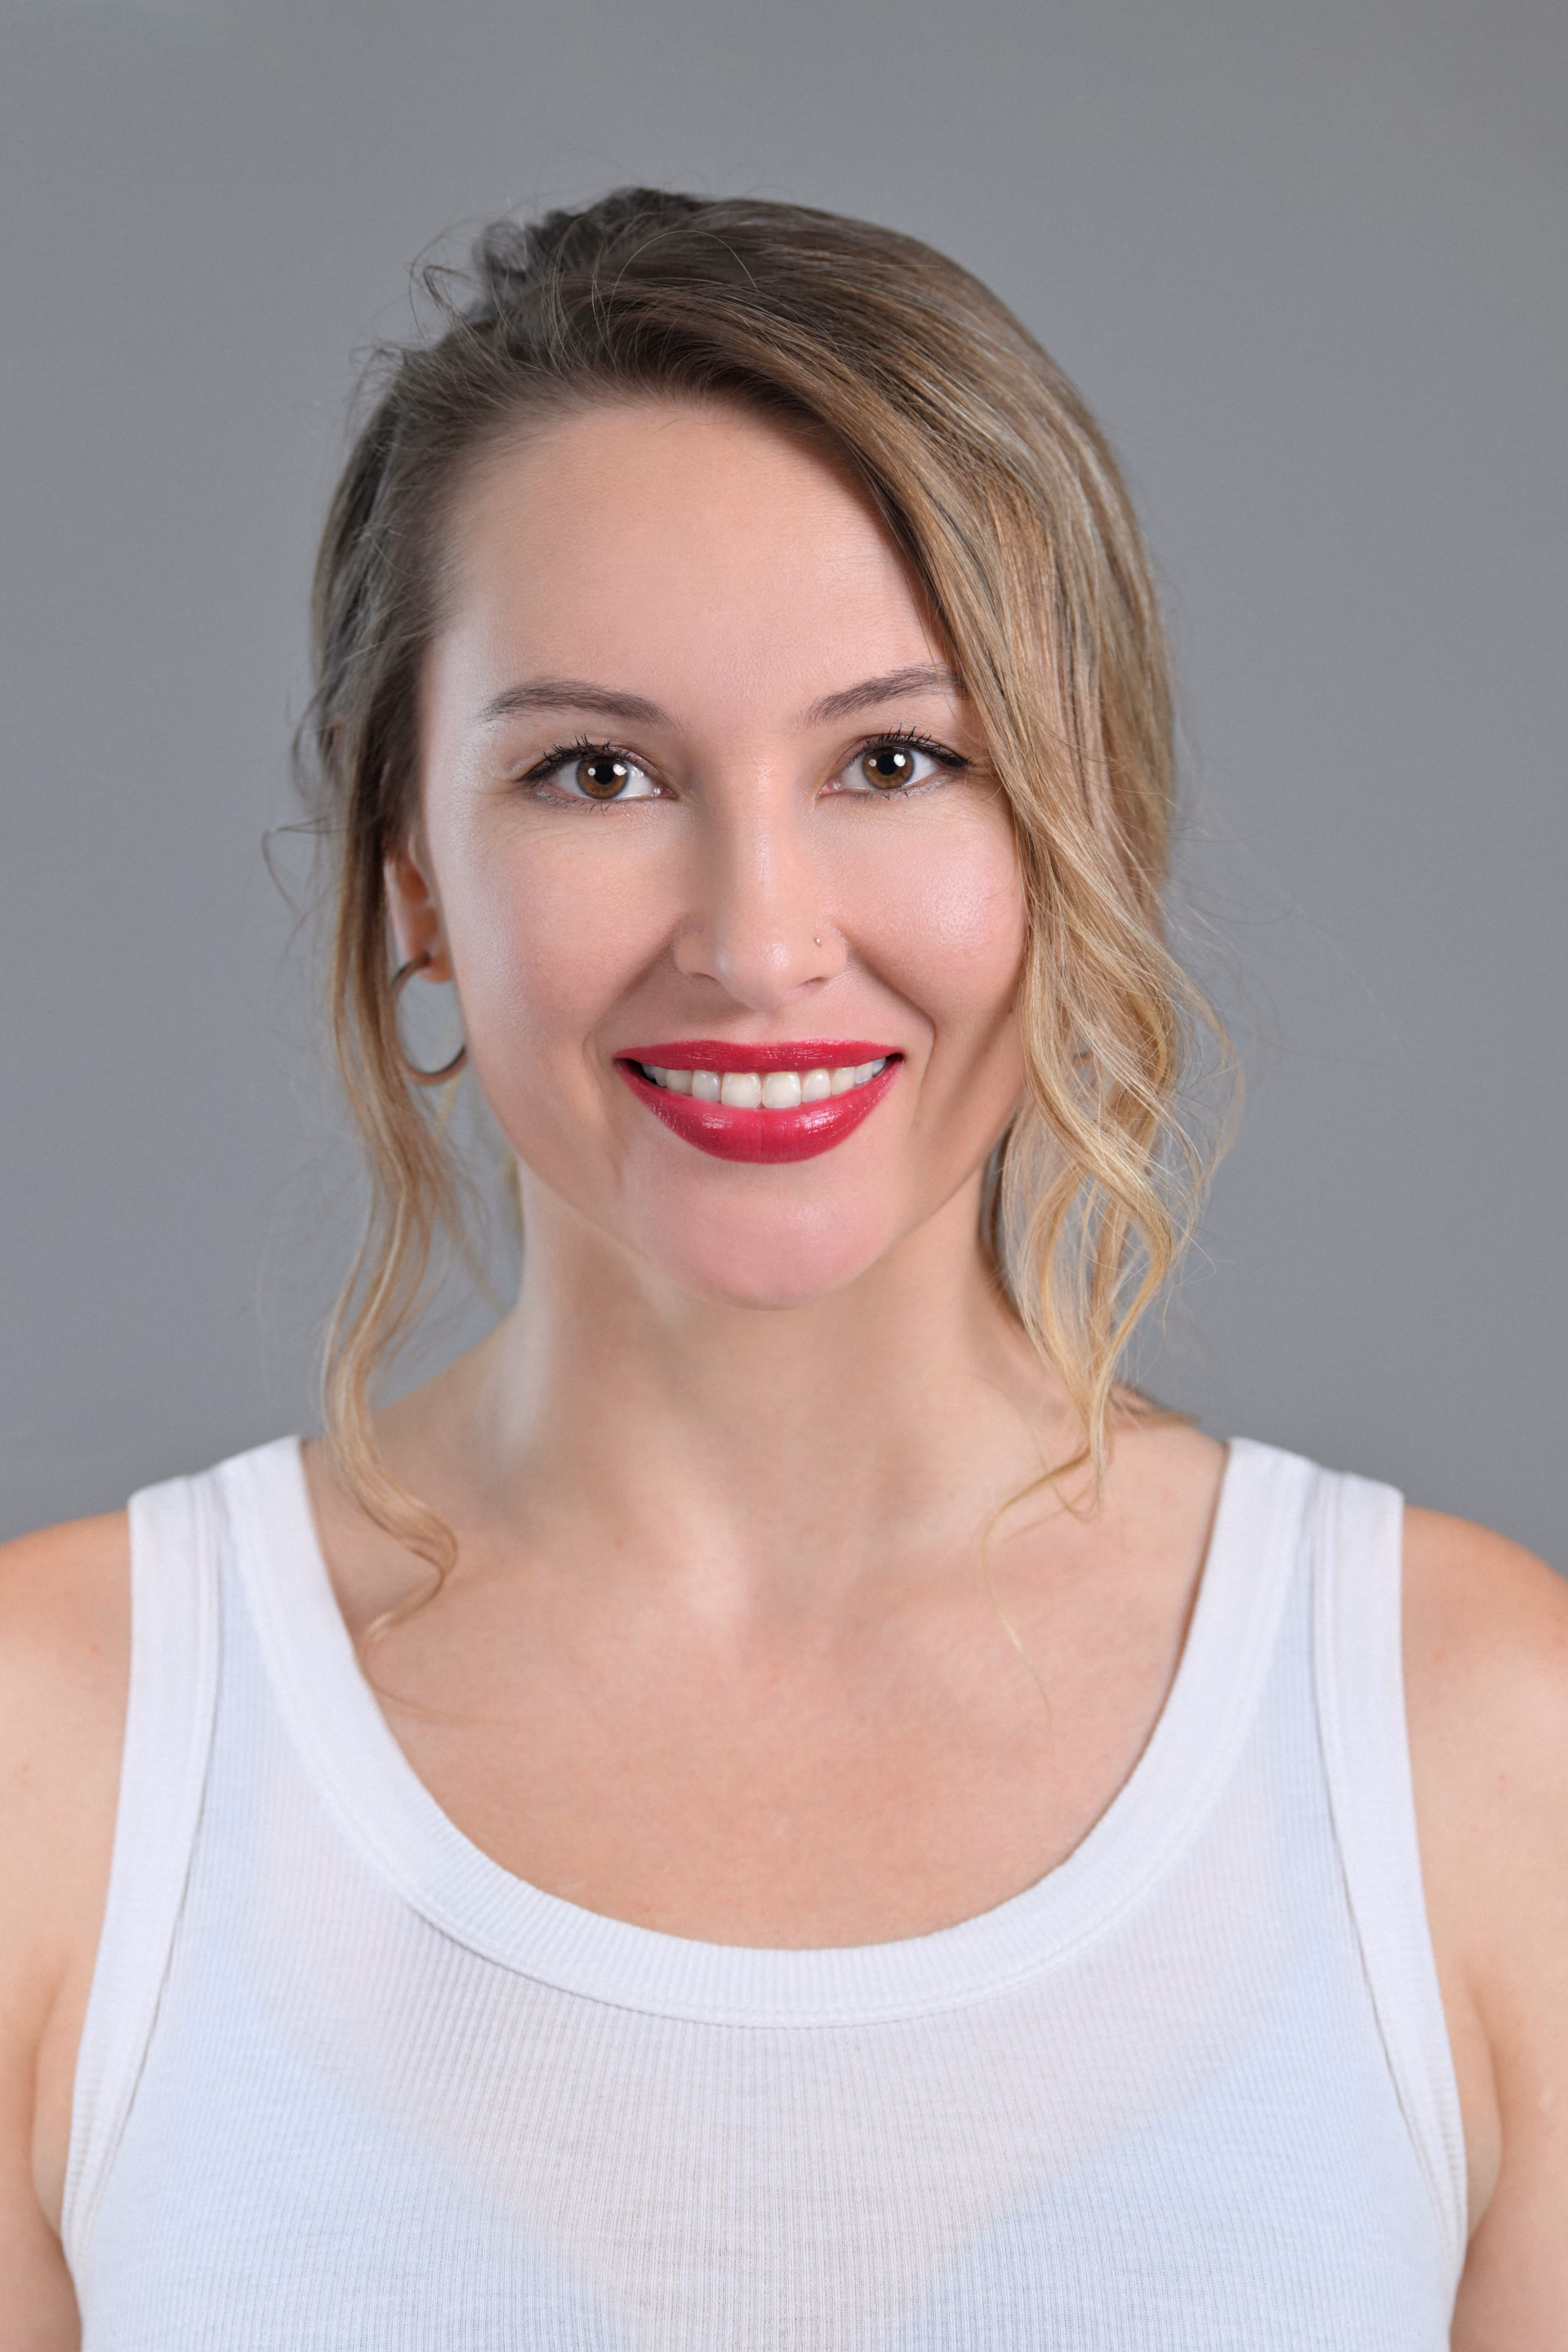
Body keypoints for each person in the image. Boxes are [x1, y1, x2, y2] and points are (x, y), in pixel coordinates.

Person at [0, 187, 1562, 2350]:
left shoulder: (1479, 1739)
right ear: (413, 875)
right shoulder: (56, 1750)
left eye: (896, 761)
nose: (756, 941)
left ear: (1082, 827)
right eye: (597, 772)